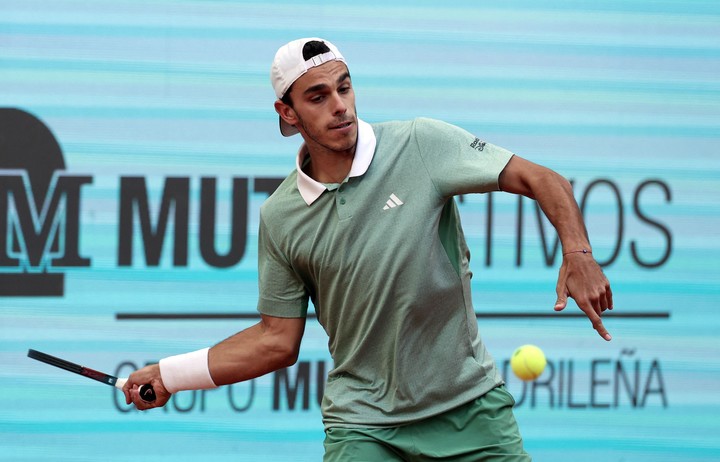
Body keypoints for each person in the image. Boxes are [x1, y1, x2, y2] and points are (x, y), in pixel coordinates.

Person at [124, 37, 614, 461]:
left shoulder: (422, 143)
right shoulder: (280, 217)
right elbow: (276, 341)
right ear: (288, 114)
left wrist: (578, 255)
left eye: (344, 87)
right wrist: (170, 375)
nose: (340, 106)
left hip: (468, 406)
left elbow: (540, 178)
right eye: (318, 97)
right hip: (364, 426)